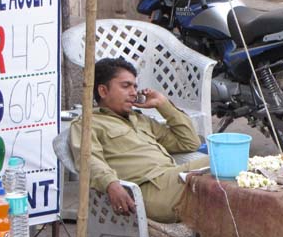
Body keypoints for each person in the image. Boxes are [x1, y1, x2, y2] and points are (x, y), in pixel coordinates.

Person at [70, 57, 209, 222]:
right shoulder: (88, 123)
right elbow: (88, 159)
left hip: (174, 179)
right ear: (103, 91)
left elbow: (189, 142)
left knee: (235, 170)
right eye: (126, 86)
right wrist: (110, 183)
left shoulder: (141, 120)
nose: (134, 92)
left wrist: (163, 105)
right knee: (225, 162)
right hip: (149, 191)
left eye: (135, 86)